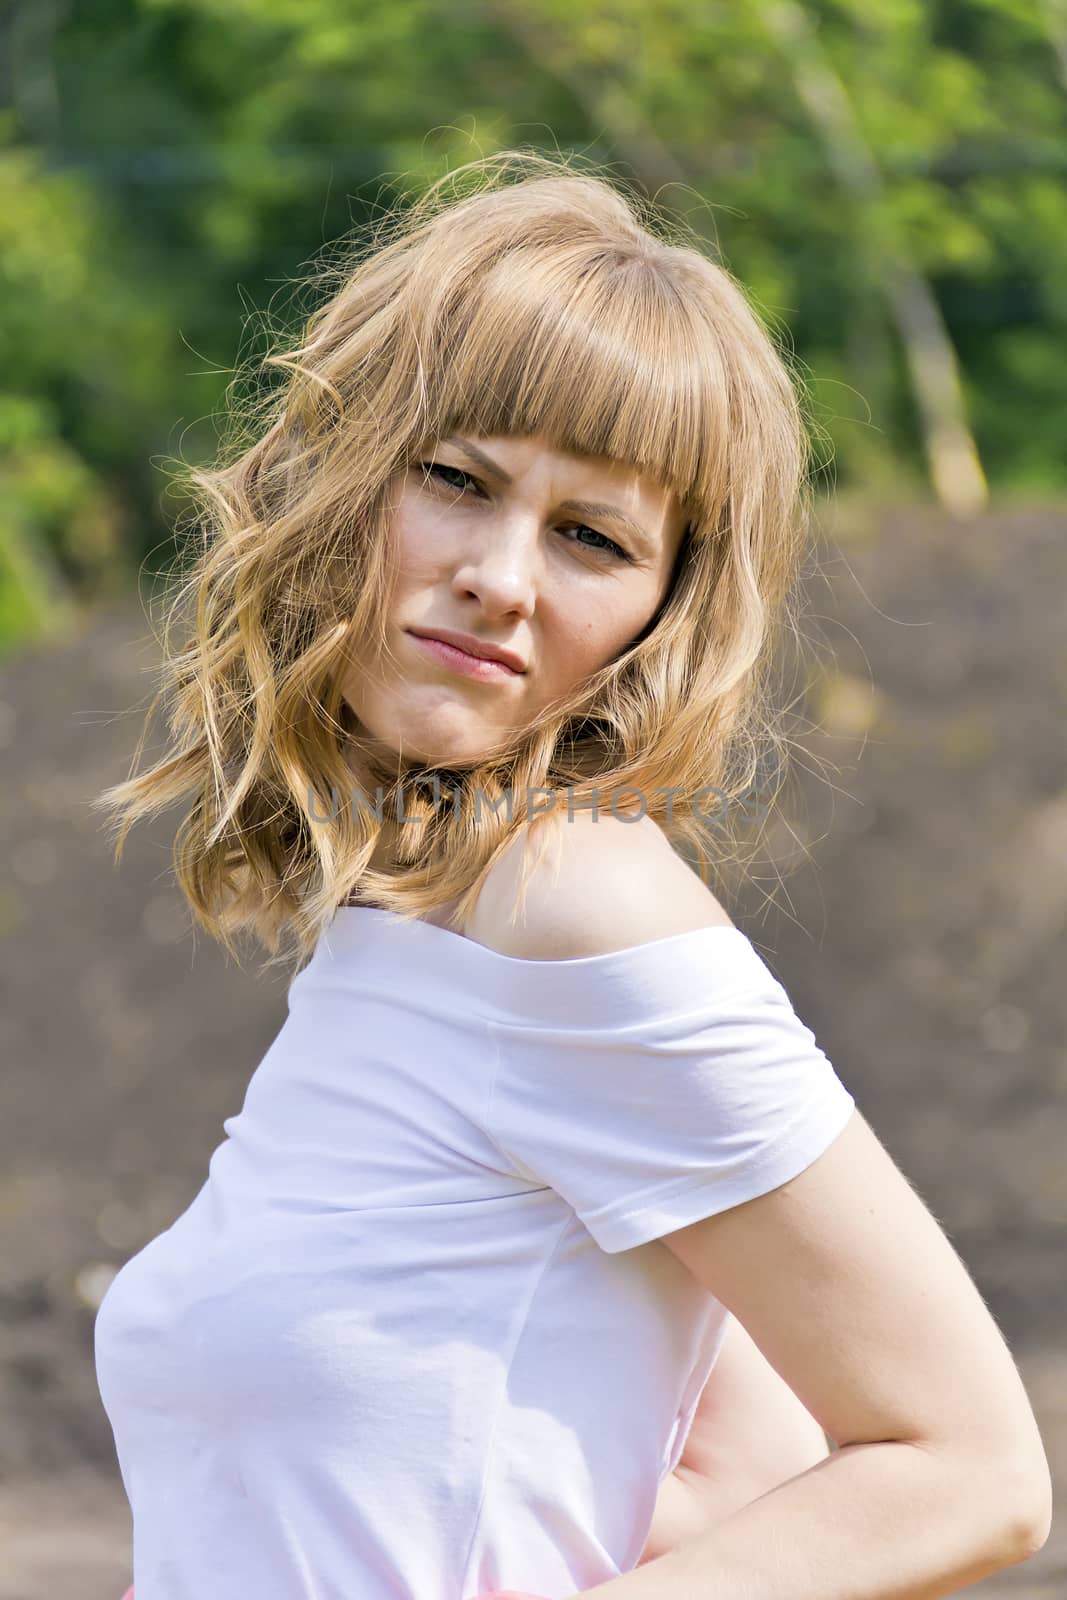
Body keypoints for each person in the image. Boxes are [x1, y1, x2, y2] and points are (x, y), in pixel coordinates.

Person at [92, 150, 1051, 1600]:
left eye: (592, 536)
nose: (502, 573)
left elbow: (967, 1468)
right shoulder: (418, 927)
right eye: (457, 479)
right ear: (344, 477)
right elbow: (742, 1469)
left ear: (662, 613)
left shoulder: (576, 914)